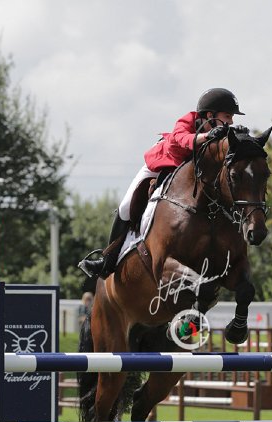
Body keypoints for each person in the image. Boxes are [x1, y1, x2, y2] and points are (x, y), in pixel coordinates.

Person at [79, 88, 245, 279]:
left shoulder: (221, 133)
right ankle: (107, 261)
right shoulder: (187, 121)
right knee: (125, 207)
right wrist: (207, 136)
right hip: (161, 165)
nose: (231, 121)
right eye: (227, 116)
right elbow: (183, 139)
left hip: (187, 176)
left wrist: (240, 137)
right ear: (210, 115)